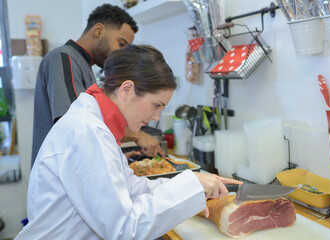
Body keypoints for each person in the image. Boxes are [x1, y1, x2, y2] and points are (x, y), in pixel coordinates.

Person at [15, 44, 241, 240]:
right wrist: (190, 187)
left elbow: (130, 188)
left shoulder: (95, 122)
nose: (156, 117)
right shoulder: (88, 133)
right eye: (156, 105)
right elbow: (124, 230)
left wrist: (192, 182)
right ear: (127, 89)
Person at [31, 4, 163, 168]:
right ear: (99, 30)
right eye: (121, 44)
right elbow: (77, 126)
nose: (122, 54)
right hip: (60, 175)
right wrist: (136, 135)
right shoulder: (63, 58)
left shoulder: (84, 65)